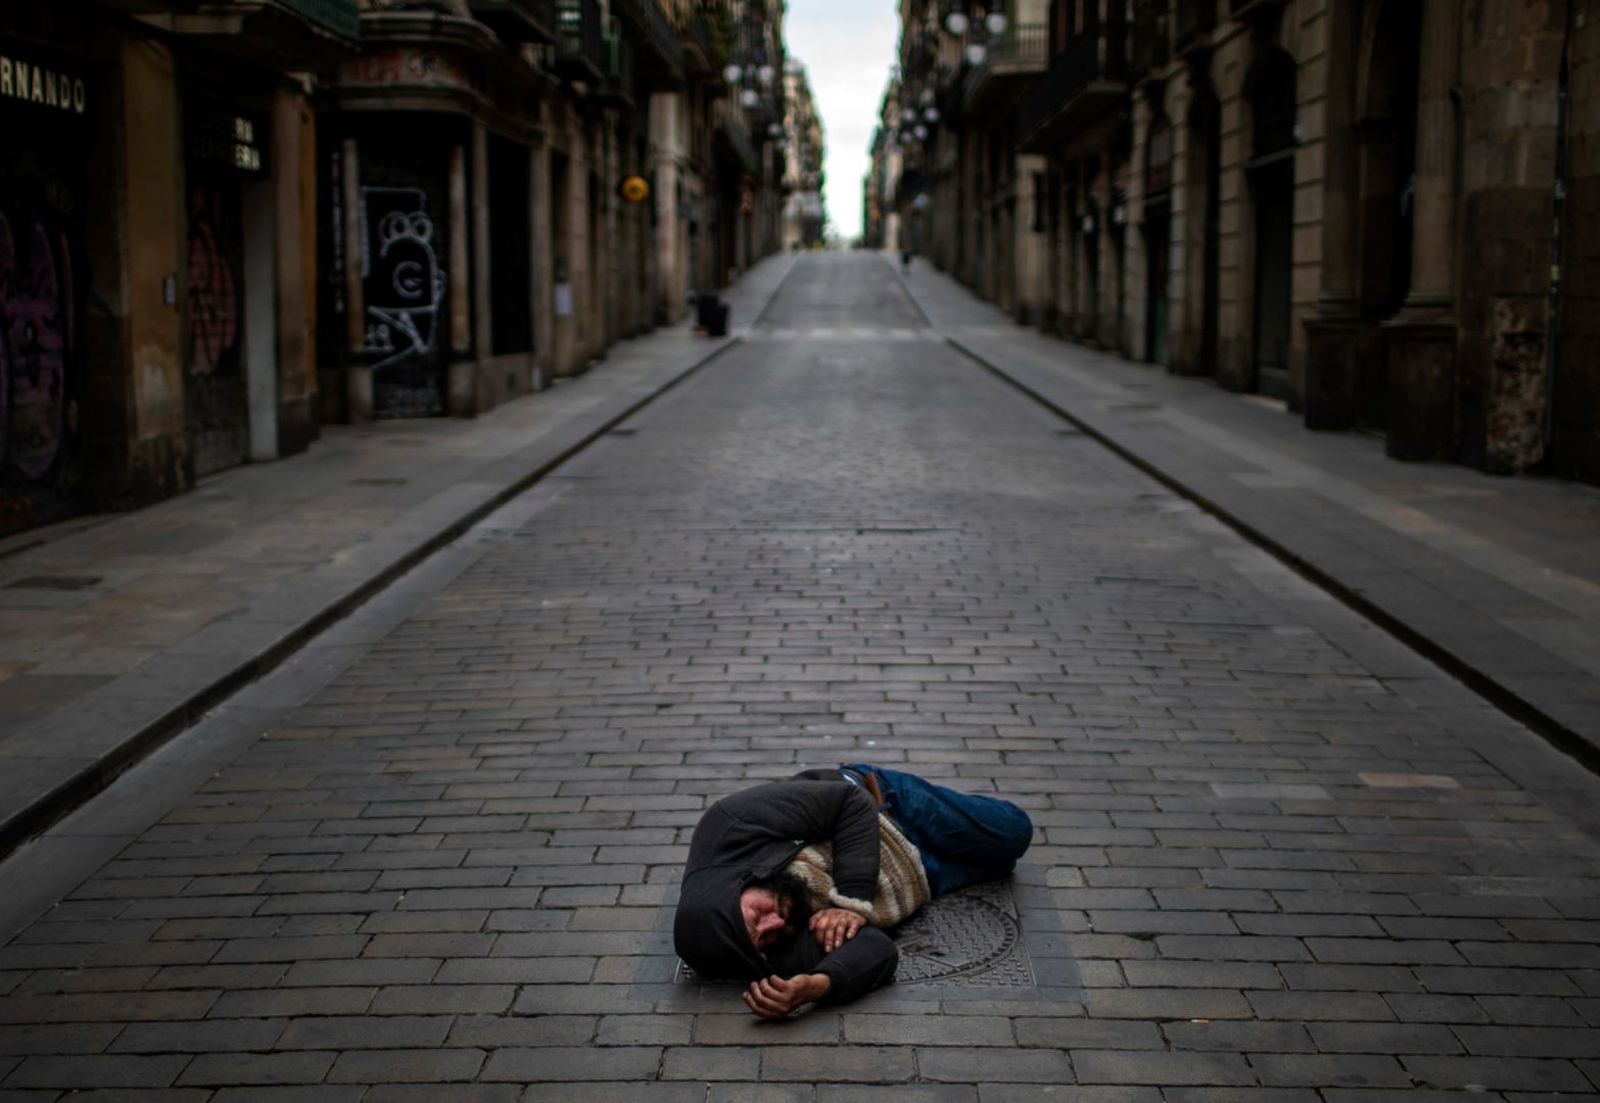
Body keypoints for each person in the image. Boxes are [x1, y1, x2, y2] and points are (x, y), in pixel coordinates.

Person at [673, 765, 1033, 1019]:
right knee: (1001, 867)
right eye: (763, 940)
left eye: (756, 914)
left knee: (1014, 833)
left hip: (890, 809)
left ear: (735, 888)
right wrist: (816, 985)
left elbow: (849, 803)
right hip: (920, 880)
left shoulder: (726, 824)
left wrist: (852, 900)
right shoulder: (766, 944)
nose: (773, 924)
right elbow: (877, 949)